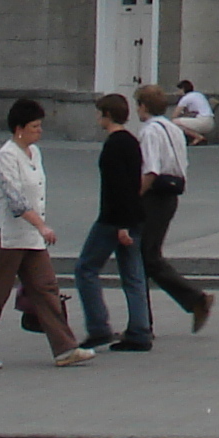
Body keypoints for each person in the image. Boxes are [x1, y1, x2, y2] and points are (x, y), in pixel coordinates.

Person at [0, 97, 97, 369]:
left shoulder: (35, 154)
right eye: (35, 126)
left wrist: (38, 229)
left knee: (47, 289)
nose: (40, 131)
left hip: (31, 239)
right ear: (19, 128)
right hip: (8, 238)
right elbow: (16, 201)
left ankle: (65, 348)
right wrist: (42, 226)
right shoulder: (6, 156)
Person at [72, 92, 153, 353]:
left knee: (85, 269)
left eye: (99, 113)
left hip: (114, 219)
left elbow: (117, 188)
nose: (97, 118)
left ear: (107, 115)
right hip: (134, 215)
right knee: (133, 274)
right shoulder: (131, 141)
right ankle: (141, 330)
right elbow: (134, 184)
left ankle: (98, 328)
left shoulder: (114, 145)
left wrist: (121, 226)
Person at [134, 82, 213, 334]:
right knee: (148, 255)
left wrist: (135, 197)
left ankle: (194, 299)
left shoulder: (148, 132)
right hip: (171, 195)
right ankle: (146, 319)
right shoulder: (173, 128)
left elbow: (151, 170)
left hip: (154, 196)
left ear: (143, 106)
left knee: (146, 256)